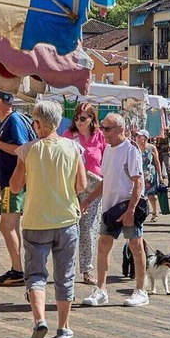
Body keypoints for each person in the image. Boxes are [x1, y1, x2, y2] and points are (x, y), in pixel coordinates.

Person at [8, 100, 86, 338]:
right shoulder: (73, 148)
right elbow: (81, 186)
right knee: (65, 275)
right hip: (66, 220)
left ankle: (40, 320)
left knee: (36, 275)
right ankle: (63, 327)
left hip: (36, 221)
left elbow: (16, 186)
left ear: (39, 123)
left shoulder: (28, 150)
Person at [81, 114, 150, 308]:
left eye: (108, 129)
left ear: (120, 129)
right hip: (110, 207)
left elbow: (138, 182)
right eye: (103, 128)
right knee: (103, 245)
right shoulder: (109, 150)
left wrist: (131, 211)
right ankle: (101, 290)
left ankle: (141, 290)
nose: (104, 133)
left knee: (136, 245)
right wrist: (88, 199)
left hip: (128, 205)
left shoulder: (130, 150)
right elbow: (106, 180)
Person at [0, 92, 35, 286]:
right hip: (10, 181)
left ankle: (17, 270)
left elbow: (21, 149)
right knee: (10, 226)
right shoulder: (11, 120)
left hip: (15, 182)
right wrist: (0, 182)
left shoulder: (13, 120)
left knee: (7, 226)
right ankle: (17, 268)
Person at [65, 103, 107, 286]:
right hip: (72, 189)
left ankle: (87, 269)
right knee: (70, 230)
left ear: (92, 119)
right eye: (76, 118)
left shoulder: (100, 137)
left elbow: (106, 161)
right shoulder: (68, 136)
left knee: (88, 231)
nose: (79, 121)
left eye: (83, 118)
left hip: (95, 190)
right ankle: (68, 268)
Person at [134, 129, 164, 222]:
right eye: (137, 136)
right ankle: (139, 213)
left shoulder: (151, 147)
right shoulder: (134, 147)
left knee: (151, 195)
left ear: (146, 137)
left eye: (140, 136)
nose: (138, 138)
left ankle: (155, 211)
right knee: (138, 194)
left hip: (149, 174)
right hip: (138, 173)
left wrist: (160, 176)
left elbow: (157, 162)